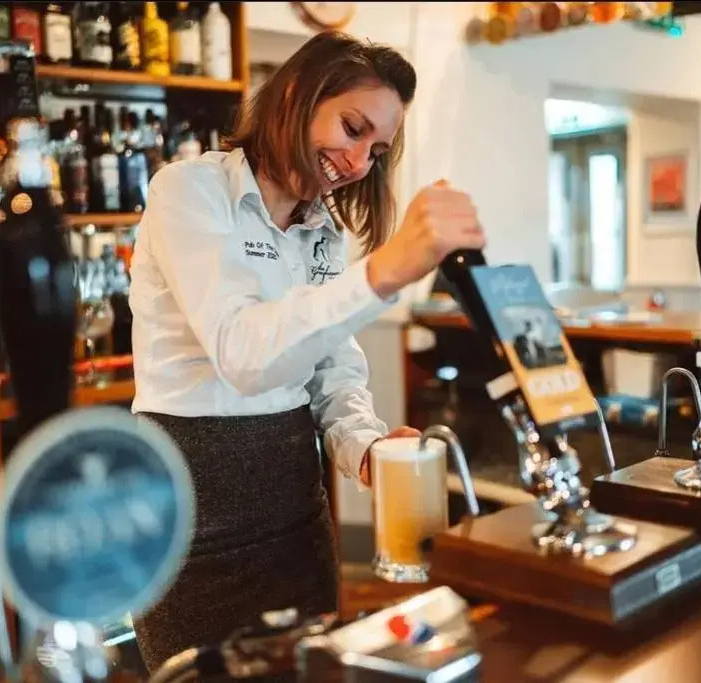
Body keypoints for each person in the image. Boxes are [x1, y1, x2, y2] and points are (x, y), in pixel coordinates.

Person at [126, 31, 485, 673]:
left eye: (376, 150)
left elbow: (331, 373)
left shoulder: (326, 233)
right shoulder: (189, 191)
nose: (358, 162)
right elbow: (242, 353)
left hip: (295, 508)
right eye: (353, 128)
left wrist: (365, 446)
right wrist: (385, 272)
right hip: (189, 513)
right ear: (297, 93)